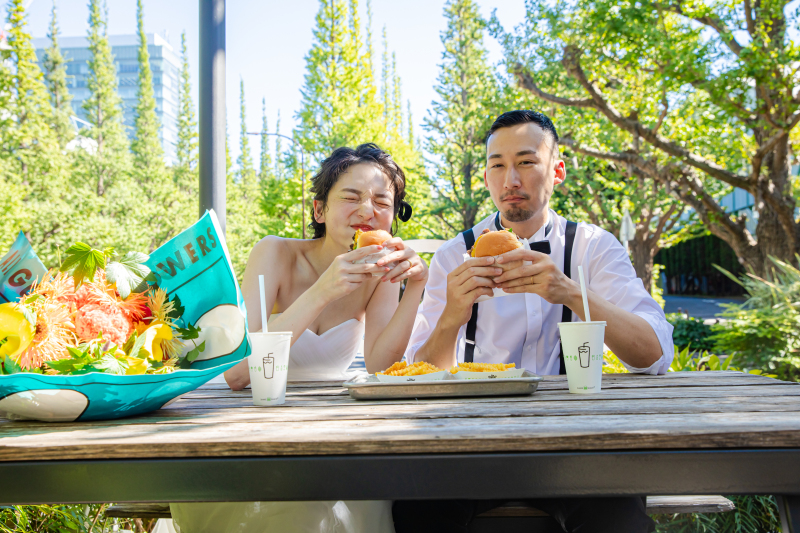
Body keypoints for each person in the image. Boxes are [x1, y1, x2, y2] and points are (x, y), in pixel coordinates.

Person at [392, 110, 674, 533]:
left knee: (619, 523)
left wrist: (569, 292)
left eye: (526, 162)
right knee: (416, 513)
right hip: (469, 445)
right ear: (486, 177)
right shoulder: (454, 256)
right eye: (497, 166)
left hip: (575, 446)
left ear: (556, 170)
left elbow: (653, 354)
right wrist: (451, 316)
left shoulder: (592, 247)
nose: (511, 181)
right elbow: (419, 374)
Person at [171, 143, 427, 533]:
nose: (367, 210)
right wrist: (324, 290)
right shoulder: (274, 253)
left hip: (332, 441)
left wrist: (416, 285)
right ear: (319, 210)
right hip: (253, 440)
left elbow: (381, 367)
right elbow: (238, 373)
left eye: (381, 200)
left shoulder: (380, 271)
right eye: (352, 197)